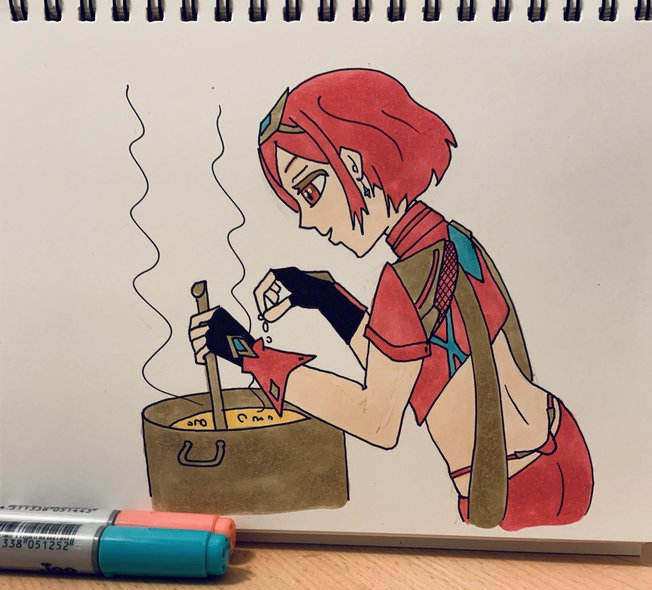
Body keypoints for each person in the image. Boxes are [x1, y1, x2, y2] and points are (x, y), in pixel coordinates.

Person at [189, 69, 594, 530]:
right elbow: (418, 363)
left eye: (310, 191)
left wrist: (248, 353)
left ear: (354, 166)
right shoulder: (452, 239)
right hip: (561, 443)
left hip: (508, 490)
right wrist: (324, 296)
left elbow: (377, 421)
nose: (306, 219)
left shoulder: (402, 284)